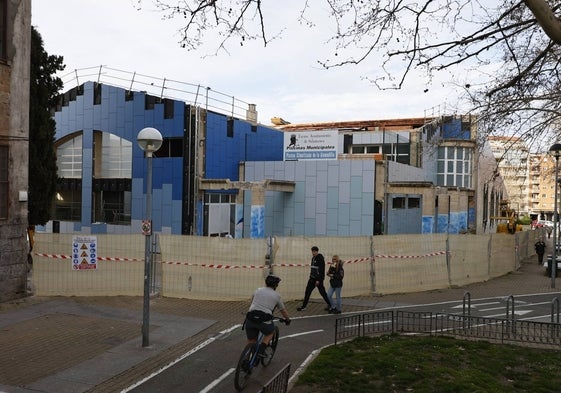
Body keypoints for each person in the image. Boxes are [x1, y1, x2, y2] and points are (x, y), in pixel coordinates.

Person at [244, 274, 290, 358]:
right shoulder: (277, 296)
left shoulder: (258, 290)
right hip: (264, 320)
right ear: (276, 285)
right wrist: (287, 319)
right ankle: (261, 349)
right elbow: (283, 310)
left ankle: (245, 360)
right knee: (270, 332)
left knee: (251, 340)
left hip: (251, 317)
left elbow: (252, 302)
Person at [297, 246, 333, 312]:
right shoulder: (313, 258)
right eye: (312, 251)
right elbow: (313, 269)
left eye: (314, 251)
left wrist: (318, 280)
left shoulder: (320, 259)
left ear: (317, 251)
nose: (313, 253)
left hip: (318, 280)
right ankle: (304, 306)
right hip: (312, 279)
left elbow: (321, 270)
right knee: (307, 292)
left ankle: (330, 305)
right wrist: (311, 276)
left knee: (323, 293)